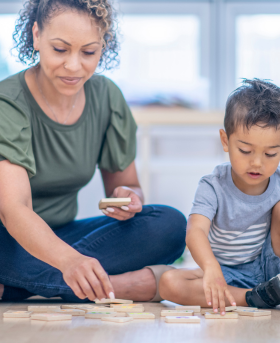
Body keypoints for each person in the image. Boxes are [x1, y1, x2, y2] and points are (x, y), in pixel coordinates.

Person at [0, 0, 186, 302]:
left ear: (103, 46)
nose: (74, 66)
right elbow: (14, 210)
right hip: (8, 237)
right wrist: (69, 262)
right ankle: (121, 287)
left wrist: (129, 197)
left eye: (88, 52)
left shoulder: (106, 96)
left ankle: (18, 287)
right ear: (36, 36)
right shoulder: (8, 101)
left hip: (63, 236)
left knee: (170, 225)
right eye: (60, 49)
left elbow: (126, 186)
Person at [159, 79, 280, 313]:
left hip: (272, 263)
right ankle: (255, 297)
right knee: (168, 284)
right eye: (245, 151)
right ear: (225, 141)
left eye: (270, 153)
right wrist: (210, 266)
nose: (257, 162)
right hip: (226, 272)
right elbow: (195, 231)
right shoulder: (212, 186)